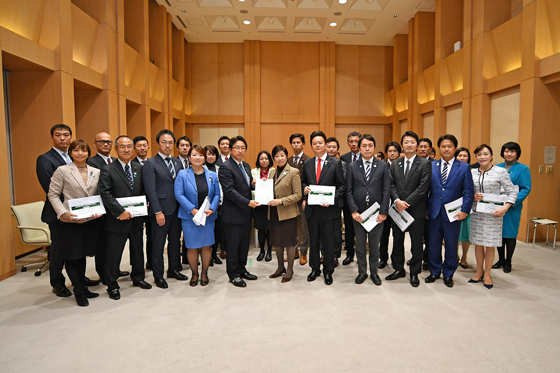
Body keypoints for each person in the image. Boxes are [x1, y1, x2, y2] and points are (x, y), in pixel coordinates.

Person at [48, 140, 102, 306]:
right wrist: (63, 213)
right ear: (71, 153)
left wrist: (99, 209)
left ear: (88, 153)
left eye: (83, 150)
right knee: (72, 257)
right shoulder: (62, 170)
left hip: (90, 220)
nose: (80, 153)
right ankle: (78, 291)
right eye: (76, 150)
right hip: (70, 220)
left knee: (82, 255)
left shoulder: (96, 171)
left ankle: (83, 287)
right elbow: (53, 194)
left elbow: (99, 194)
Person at [98, 136, 151, 301]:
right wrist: (119, 211)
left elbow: (143, 189)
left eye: (129, 147)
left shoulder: (139, 167)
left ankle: (138, 277)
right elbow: (105, 193)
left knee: (137, 249)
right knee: (114, 253)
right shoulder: (108, 169)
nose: (127, 150)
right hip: (117, 219)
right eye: (123, 147)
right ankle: (112, 284)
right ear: (116, 149)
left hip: (136, 218)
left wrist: (145, 202)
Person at [426, 134, 474, 288]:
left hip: (454, 214)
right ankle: (434, 271)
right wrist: (426, 209)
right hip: (433, 212)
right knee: (433, 244)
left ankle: (448, 273)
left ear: (455, 148)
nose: (446, 149)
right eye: (443, 146)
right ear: (439, 148)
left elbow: (468, 191)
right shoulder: (431, 165)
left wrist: (465, 210)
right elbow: (426, 190)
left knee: (451, 245)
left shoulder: (464, 167)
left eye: (449, 146)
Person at [142, 129, 188, 288]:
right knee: (158, 244)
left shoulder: (177, 162)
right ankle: (158, 275)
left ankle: (173, 269)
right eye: (164, 142)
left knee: (175, 242)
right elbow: (151, 189)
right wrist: (157, 211)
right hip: (160, 211)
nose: (167, 145)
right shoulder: (150, 163)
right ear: (157, 144)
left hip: (177, 210)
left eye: (170, 143)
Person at [469, 144, 517, 289]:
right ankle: (478, 271)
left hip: (494, 214)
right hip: (477, 212)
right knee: (478, 243)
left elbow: (512, 192)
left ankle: (488, 274)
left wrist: (505, 208)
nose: (482, 157)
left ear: (491, 156)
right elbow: (465, 192)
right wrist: (473, 196)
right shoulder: (472, 173)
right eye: (479, 154)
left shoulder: (500, 172)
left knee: (490, 244)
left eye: (485, 154)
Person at [301, 131, 345, 285]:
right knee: (313, 240)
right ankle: (314, 269)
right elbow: (303, 182)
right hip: (313, 210)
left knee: (328, 241)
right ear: (311, 146)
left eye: (320, 142)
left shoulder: (335, 163)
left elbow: (341, 187)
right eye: (314, 143)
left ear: (325, 145)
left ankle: (328, 270)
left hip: (329, 209)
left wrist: (331, 200)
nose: (317, 145)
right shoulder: (307, 164)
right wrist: (305, 189)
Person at [388, 131, 431, 287]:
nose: (409, 145)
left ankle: (414, 272)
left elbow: (423, 187)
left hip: (416, 210)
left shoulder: (425, 164)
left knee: (416, 243)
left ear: (417, 145)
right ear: (402, 145)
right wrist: (397, 201)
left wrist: (406, 203)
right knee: (397, 241)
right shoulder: (395, 163)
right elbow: (391, 185)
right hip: (397, 210)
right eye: (406, 142)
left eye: (412, 142)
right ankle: (398, 269)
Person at [346, 134, 390, 286]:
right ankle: (362, 272)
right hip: (359, 213)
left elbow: (386, 190)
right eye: (364, 146)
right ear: (359, 148)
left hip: (377, 214)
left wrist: (384, 212)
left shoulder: (383, 166)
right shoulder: (352, 166)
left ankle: (375, 273)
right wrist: (353, 211)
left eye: (370, 145)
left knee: (374, 246)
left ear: (374, 147)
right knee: (359, 246)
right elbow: (349, 191)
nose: (367, 148)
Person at [175, 145, 221, 287]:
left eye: (201, 155)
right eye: (194, 155)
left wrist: (212, 208)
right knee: (192, 247)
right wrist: (192, 210)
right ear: (189, 157)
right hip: (190, 218)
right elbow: (179, 194)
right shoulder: (182, 174)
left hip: (207, 217)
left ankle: (204, 273)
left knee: (207, 246)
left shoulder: (212, 175)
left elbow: (217, 194)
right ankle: (195, 273)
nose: (198, 158)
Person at [36, 124, 74, 297]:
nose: (63, 138)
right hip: (57, 213)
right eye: (58, 135)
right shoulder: (45, 159)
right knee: (59, 249)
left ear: (71, 137)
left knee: (75, 247)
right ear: (52, 137)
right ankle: (57, 283)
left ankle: (77, 277)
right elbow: (50, 188)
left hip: (76, 211)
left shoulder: (73, 157)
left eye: (66, 135)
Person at [219, 136, 260, 288]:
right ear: (230, 149)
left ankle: (242, 269)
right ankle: (233, 274)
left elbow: (244, 186)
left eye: (243, 148)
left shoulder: (246, 166)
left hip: (246, 213)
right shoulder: (226, 167)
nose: (240, 151)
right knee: (233, 246)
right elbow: (229, 191)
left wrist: (254, 185)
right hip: (233, 214)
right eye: (237, 147)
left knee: (244, 245)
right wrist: (248, 202)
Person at [87, 132, 122, 281]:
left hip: (117, 209)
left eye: (108, 142)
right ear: (95, 144)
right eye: (101, 141)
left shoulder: (115, 161)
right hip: (100, 210)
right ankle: (103, 273)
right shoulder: (90, 162)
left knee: (114, 244)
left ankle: (114, 270)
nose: (105, 144)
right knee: (101, 243)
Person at [494, 142, 532, 273]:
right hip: (497, 206)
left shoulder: (523, 169)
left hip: (512, 208)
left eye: (512, 151)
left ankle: (508, 260)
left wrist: (511, 201)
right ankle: (500, 259)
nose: (509, 154)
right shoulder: (497, 167)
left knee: (509, 235)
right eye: (506, 151)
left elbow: (526, 188)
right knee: (498, 234)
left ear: (517, 153)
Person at [267, 145, 302, 283]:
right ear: (273, 158)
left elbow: (298, 195)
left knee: (289, 243)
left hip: (288, 213)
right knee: (277, 242)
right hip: (274, 213)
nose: (279, 158)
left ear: (286, 156)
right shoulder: (271, 172)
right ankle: (280, 267)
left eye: (282, 155)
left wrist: (281, 201)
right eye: (276, 156)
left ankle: (290, 269)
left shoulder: (293, 172)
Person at [287, 133, 310, 265]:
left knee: (303, 226)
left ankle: (303, 252)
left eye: (298, 142)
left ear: (303, 144)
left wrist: (305, 198)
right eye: (294, 143)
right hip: (290, 199)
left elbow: (309, 181)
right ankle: (293, 251)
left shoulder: (309, 160)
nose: (296, 145)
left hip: (302, 199)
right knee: (292, 226)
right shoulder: (288, 160)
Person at [378, 141, 401, 269]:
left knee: (397, 236)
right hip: (384, 205)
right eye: (390, 151)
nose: (392, 153)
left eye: (395, 151)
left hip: (397, 205)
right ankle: (383, 258)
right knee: (383, 234)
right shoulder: (381, 165)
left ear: (398, 153)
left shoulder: (401, 165)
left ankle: (396, 259)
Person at [340, 131, 361, 265]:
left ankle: (361, 255)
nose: (354, 144)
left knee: (361, 229)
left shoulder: (366, 157)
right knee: (348, 228)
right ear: (348, 143)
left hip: (363, 198)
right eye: (351, 141)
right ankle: (349, 254)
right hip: (348, 198)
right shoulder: (343, 158)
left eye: (356, 141)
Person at [132, 136, 152, 269]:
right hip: (136, 208)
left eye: (144, 145)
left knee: (151, 236)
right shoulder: (131, 165)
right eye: (139, 146)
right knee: (136, 239)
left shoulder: (152, 163)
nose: (142, 148)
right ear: (134, 148)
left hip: (152, 207)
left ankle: (150, 262)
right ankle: (136, 266)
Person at [251, 151, 274, 262]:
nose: (264, 160)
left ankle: (269, 251)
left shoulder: (274, 171)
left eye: (266, 158)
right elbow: (249, 188)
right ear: (258, 160)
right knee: (260, 229)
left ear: (269, 160)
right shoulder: (253, 171)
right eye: (261, 158)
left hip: (270, 204)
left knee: (269, 229)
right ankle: (261, 251)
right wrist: (253, 184)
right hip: (258, 204)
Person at [326, 137, 346, 266]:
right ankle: (325, 254)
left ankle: (335, 256)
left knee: (335, 231)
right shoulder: (319, 162)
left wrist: (332, 197)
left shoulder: (342, 164)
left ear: (338, 149)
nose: (331, 149)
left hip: (336, 201)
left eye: (334, 147)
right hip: (320, 202)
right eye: (329, 146)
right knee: (323, 231)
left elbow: (343, 184)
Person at [205, 145, 224, 265]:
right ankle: (207, 256)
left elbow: (221, 187)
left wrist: (218, 201)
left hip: (219, 205)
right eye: (208, 154)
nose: (211, 156)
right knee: (207, 231)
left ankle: (214, 255)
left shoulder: (219, 168)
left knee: (218, 231)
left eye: (213, 154)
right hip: (205, 206)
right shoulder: (200, 168)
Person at [176, 136, 192, 271]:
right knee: (175, 236)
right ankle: (176, 263)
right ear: (178, 148)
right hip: (175, 205)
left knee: (188, 233)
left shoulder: (194, 163)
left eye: (187, 145)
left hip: (192, 206)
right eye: (182, 145)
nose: (185, 148)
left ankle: (188, 258)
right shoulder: (173, 163)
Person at [455, 147, 473, 269]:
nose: (462, 158)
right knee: (455, 234)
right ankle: (455, 255)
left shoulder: (473, 170)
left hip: (468, 207)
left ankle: (464, 257)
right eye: (460, 155)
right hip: (454, 206)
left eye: (465, 155)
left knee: (466, 234)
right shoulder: (453, 170)